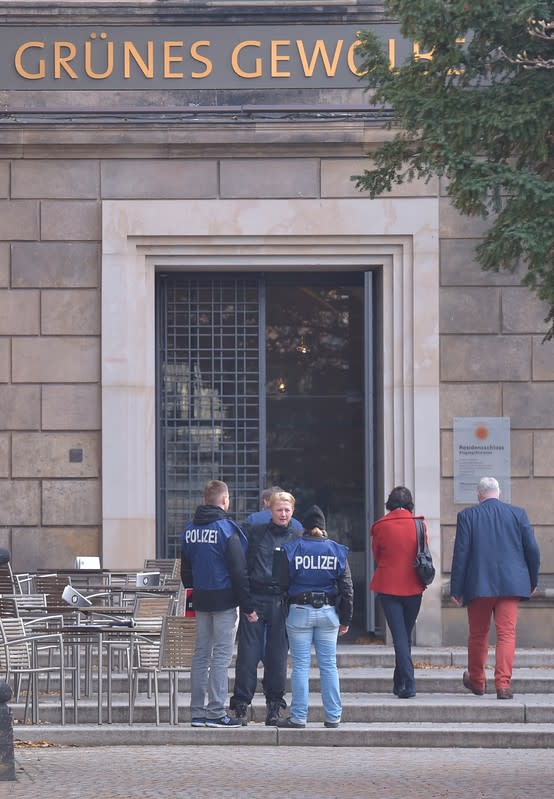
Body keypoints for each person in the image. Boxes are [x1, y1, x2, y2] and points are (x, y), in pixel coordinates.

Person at [450, 476, 540, 700]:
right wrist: (532, 580)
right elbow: (533, 550)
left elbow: (461, 554)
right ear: (499, 493)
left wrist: (456, 588)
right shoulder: (518, 514)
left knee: (478, 634)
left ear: (479, 495)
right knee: (507, 633)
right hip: (511, 584)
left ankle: (477, 681)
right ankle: (503, 685)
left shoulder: (467, 516)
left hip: (479, 584)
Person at [181, 479, 257, 728]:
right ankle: (215, 712)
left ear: (205, 500)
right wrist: (247, 606)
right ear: (225, 501)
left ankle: (197, 712)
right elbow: (239, 572)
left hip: (201, 599)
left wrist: (197, 588)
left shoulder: (189, 529)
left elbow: (185, 571)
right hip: (224, 600)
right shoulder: (226, 529)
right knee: (221, 657)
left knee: (201, 655)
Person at [275, 505, 353, 729]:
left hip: (299, 611)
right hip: (328, 613)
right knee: (329, 665)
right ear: (323, 528)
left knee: (300, 666)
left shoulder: (291, 549)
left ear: (304, 528)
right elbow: (347, 588)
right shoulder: (336, 550)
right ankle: (333, 716)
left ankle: (299, 717)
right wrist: (346, 619)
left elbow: (281, 583)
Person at [230, 490, 299, 725]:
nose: (283, 513)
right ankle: (240, 705)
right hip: (256, 598)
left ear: (292, 511)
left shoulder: (297, 536)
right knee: (248, 655)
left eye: (287, 510)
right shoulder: (256, 533)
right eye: (279, 509)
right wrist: (246, 601)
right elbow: (244, 567)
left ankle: (274, 706)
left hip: (281, 601)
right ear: (270, 510)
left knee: (277, 656)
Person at [369, 486, 428, 698]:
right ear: (410, 503)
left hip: (388, 586)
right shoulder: (419, 524)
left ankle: (408, 683)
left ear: (389, 503)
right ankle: (400, 681)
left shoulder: (380, 526)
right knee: (404, 635)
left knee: (400, 636)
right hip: (414, 586)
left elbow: (377, 555)